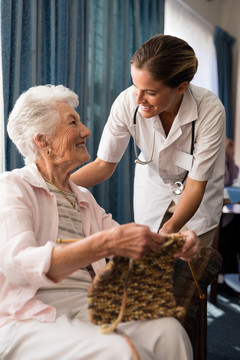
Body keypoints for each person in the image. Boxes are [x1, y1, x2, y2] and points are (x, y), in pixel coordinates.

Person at [0, 85, 200, 360]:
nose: (86, 131)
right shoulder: (13, 186)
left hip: (89, 301)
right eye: (73, 122)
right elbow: (16, 264)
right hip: (30, 309)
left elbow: (122, 237)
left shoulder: (82, 197)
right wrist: (103, 244)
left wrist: (173, 243)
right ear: (42, 141)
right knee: (118, 352)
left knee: (169, 333)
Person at [71, 34, 226, 249]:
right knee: (150, 276)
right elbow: (103, 165)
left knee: (186, 274)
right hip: (155, 191)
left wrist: (171, 228)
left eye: (150, 92)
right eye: (135, 86)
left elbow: (196, 184)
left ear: (181, 88)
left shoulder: (210, 110)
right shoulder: (127, 102)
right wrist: (57, 185)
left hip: (197, 200)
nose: (138, 99)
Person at [218, 138, 240, 296]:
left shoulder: (226, 162)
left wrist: (231, 158)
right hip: (216, 213)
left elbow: (233, 177)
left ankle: (223, 278)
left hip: (226, 212)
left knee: (236, 227)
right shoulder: (216, 163)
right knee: (232, 233)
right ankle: (220, 280)